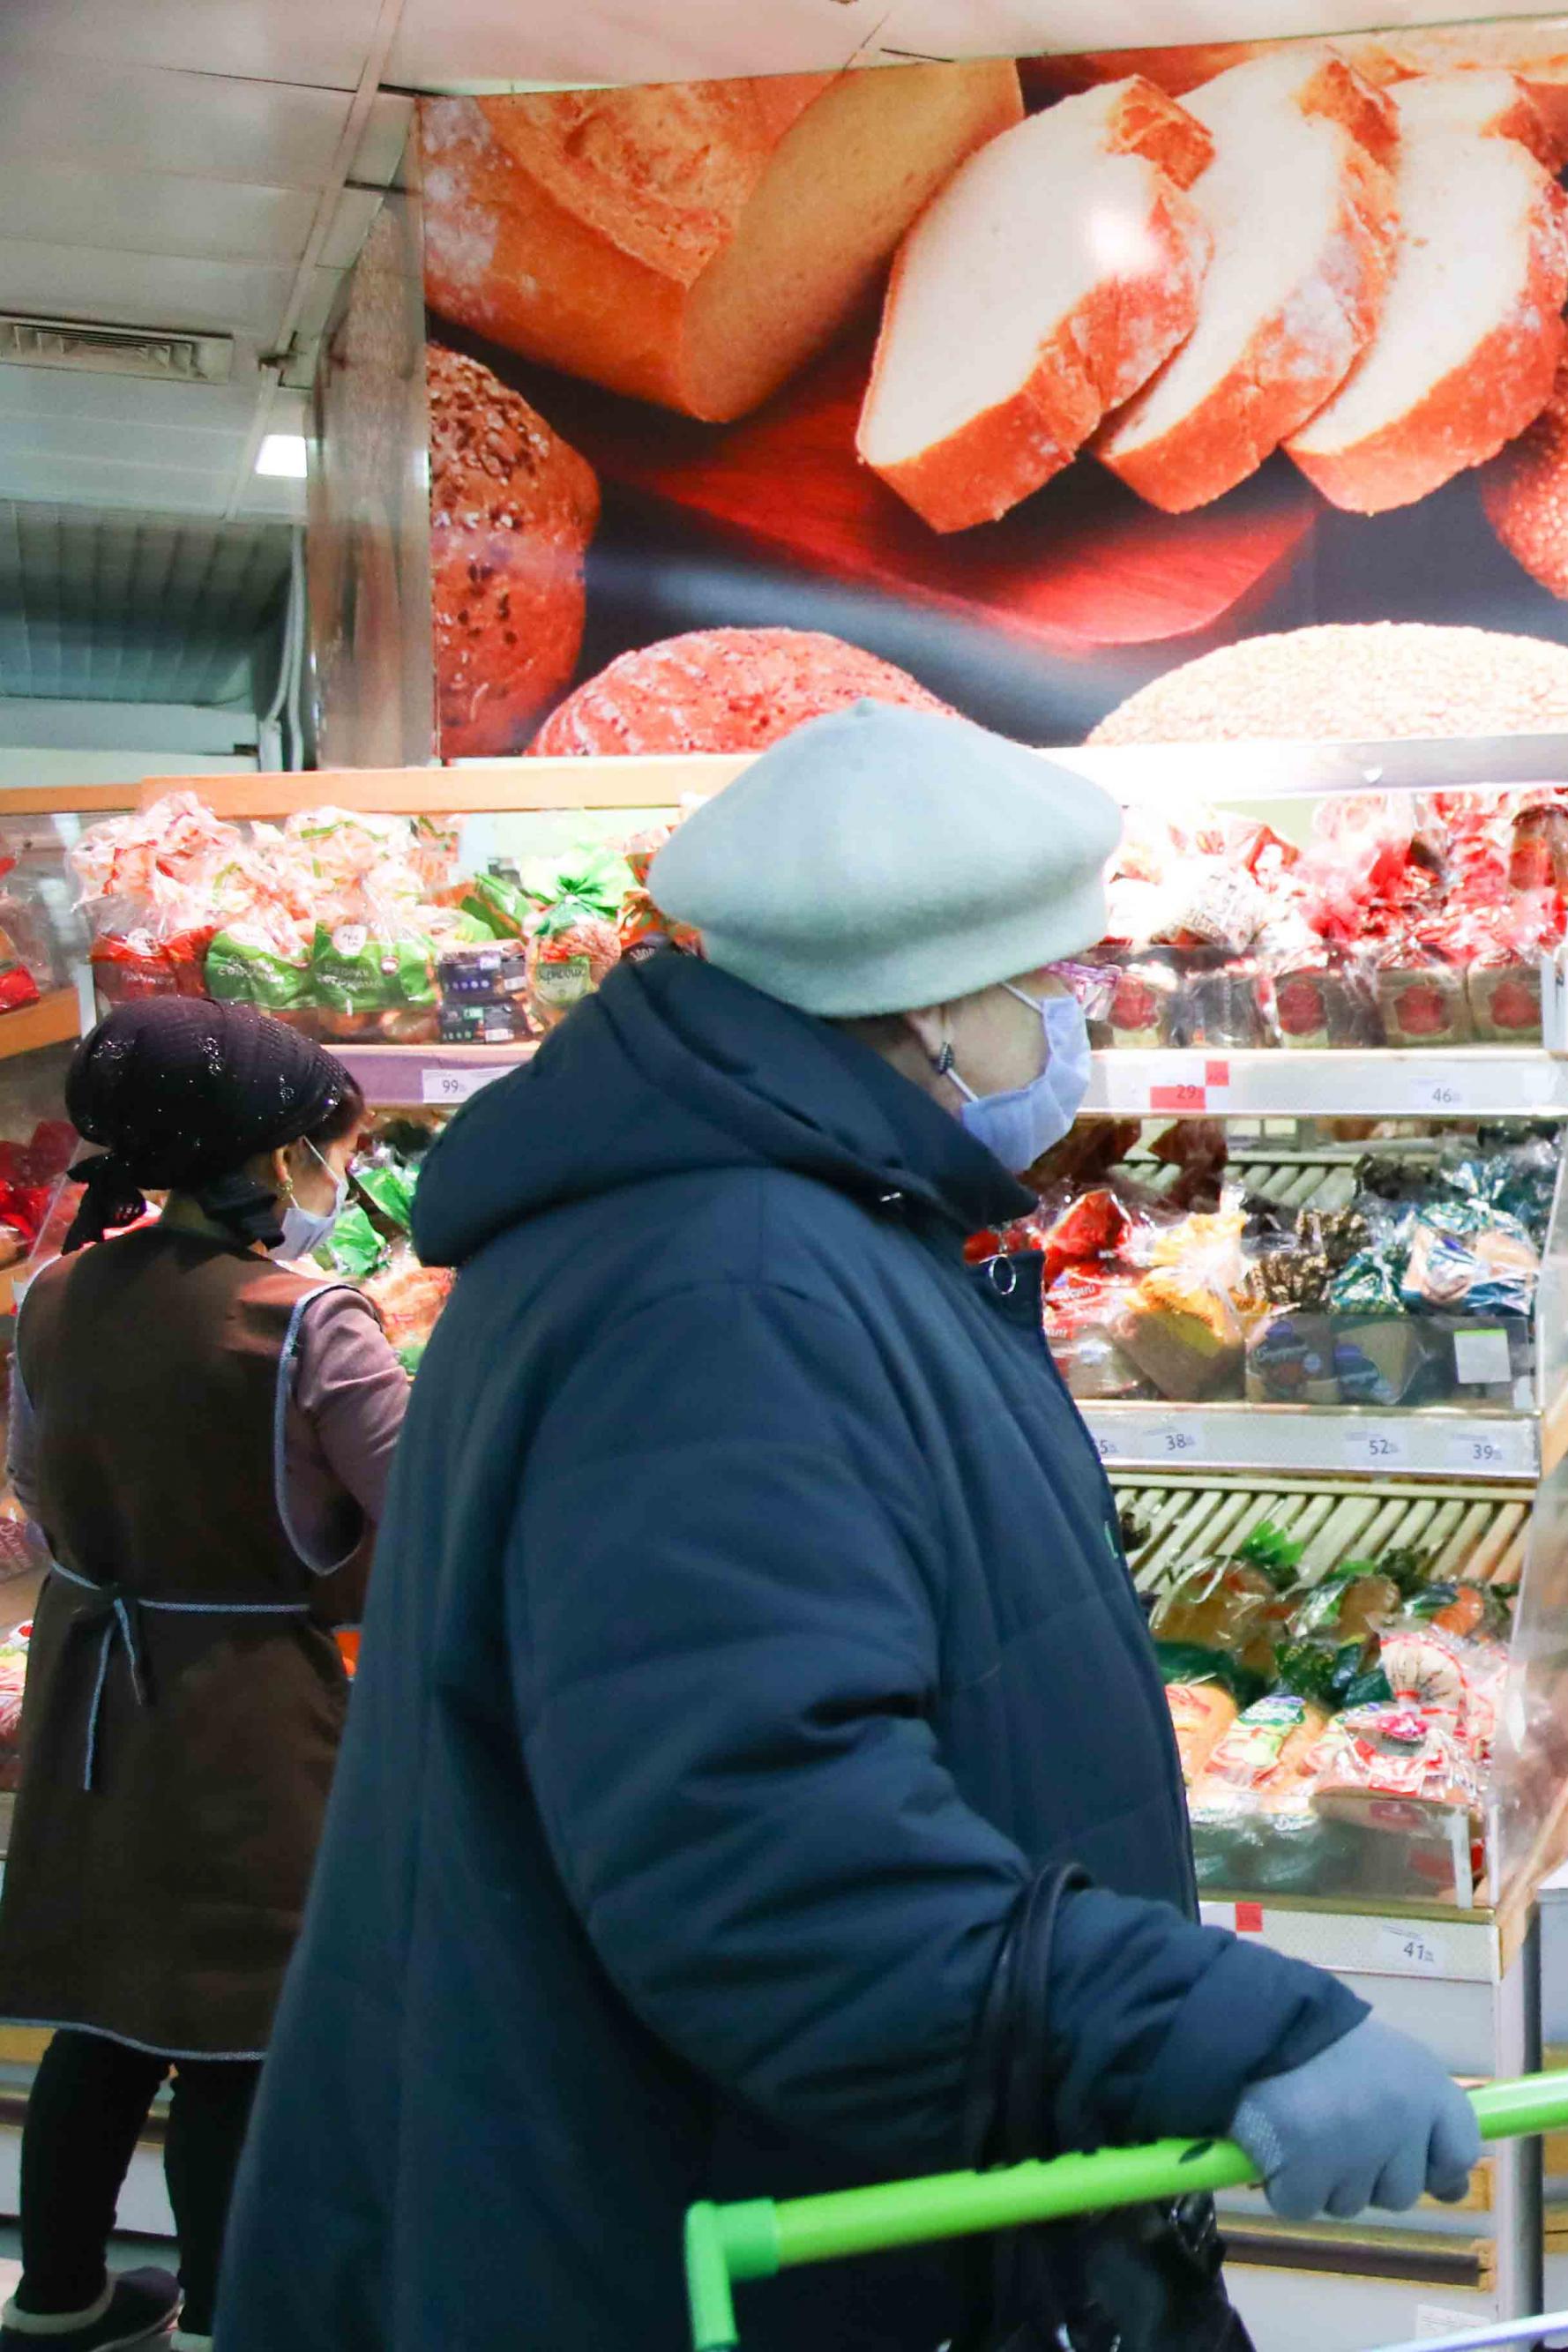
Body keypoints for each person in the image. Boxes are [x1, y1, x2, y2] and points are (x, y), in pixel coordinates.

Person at [220, 705, 1475, 2352]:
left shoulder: (789, 1225)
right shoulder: (720, 1294)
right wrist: (1219, 2028)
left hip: (775, 2201)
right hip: (688, 2242)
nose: (1073, 1022)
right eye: (1052, 981)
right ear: (932, 1006)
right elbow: (753, 1848)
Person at [0, 1002, 396, 2352]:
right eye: (329, 1145)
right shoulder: (307, 1321)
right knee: (243, 2026)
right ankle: (230, 2317)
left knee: (107, 2005)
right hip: (249, 1696)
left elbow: (31, 1477)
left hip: (92, 1687)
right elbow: (425, 1492)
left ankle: (56, 2297)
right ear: (278, 1156)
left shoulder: (56, 1294)